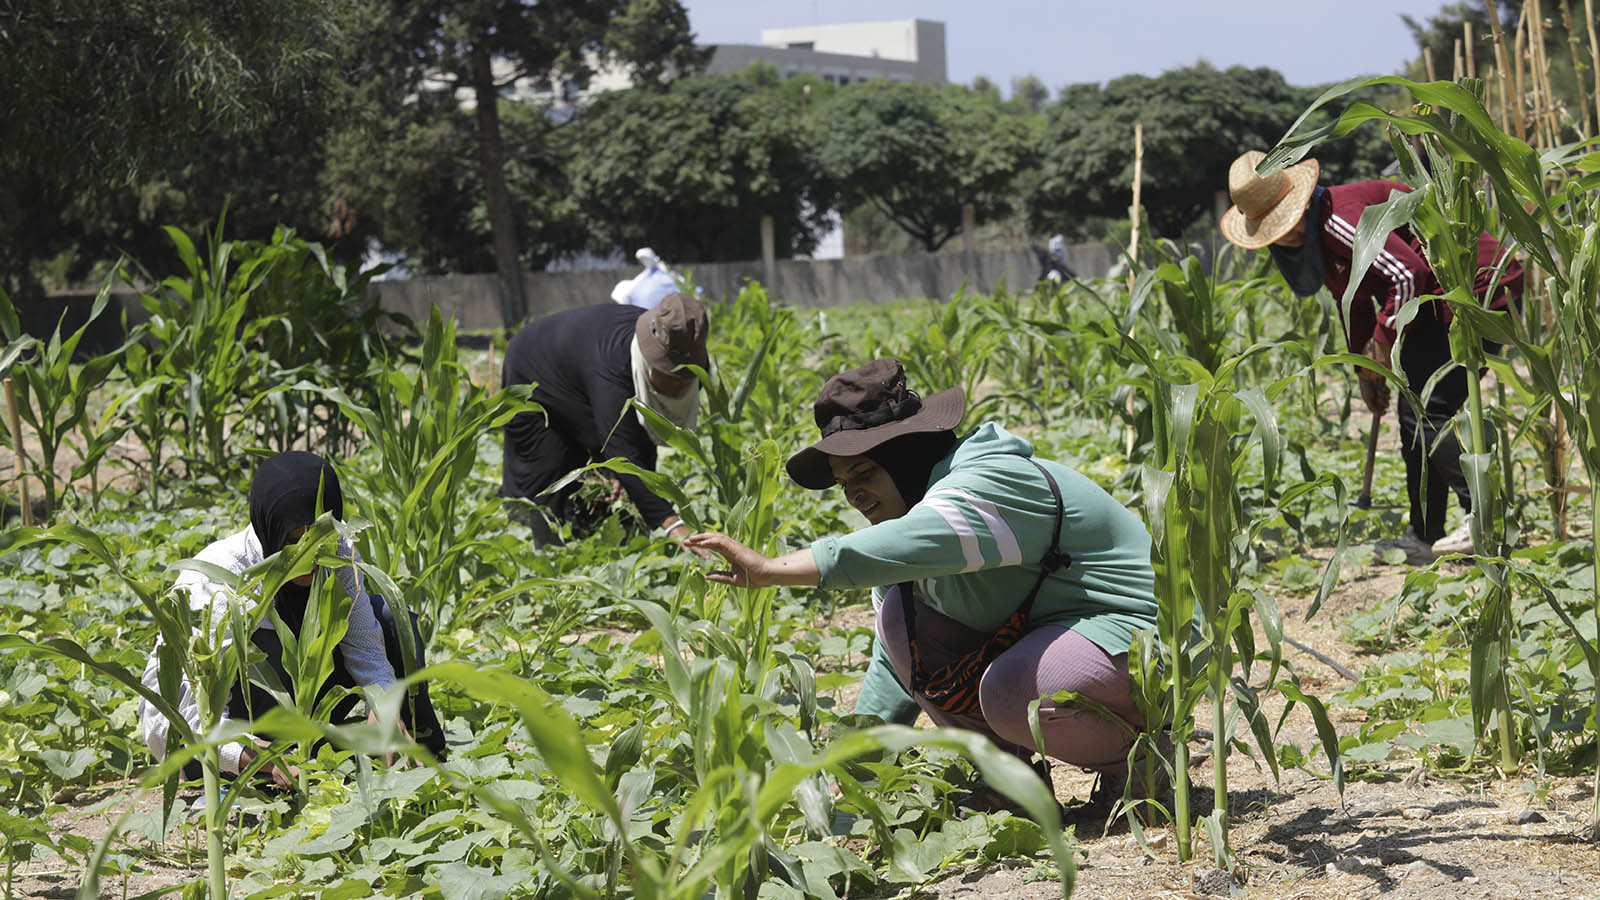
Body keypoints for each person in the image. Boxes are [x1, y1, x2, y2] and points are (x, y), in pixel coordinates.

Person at [685, 359, 1160, 817]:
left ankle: (1144, 767)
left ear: (907, 457)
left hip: (1143, 640)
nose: (853, 495)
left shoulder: (990, 480)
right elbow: (897, 665)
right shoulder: (910, 533)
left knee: (1011, 691)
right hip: (1059, 642)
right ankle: (1015, 790)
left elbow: (917, 539)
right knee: (900, 618)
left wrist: (770, 570)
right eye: (843, 483)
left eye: (864, 473)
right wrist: (851, 767)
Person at [1219, 151, 1524, 563]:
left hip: (1471, 288)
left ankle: (1484, 519)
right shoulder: (1320, 241)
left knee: (1430, 410)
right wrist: (1366, 372)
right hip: (1431, 304)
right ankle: (1425, 535)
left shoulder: (1337, 219)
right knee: (1413, 414)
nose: (1284, 236)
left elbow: (1407, 274)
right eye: (1273, 229)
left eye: (1285, 222)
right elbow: (1355, 303)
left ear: (1301, 203)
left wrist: (1382, 342)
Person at [138, 452, 446, 789]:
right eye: (294, 540)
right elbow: (189, 715)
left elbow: (367, 649)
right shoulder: (216, 581)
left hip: (302, 714)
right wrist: (259, 759)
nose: (308, 554)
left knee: (390, 616)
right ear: (270, 529)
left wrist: (384, 704)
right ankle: (265, 770)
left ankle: (419, 756)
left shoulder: (338, 554)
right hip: (225, 738)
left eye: (318, 537)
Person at [500, 293, 711, 552]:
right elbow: (621, 451)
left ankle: (598, 534)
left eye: (684, 380)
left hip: (578, 369)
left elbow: (636, 438)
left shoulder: (692, 355)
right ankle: (535, 553)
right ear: (649, 361)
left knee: (617, 474)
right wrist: (672, 524)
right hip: (532, 365)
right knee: (546, 476)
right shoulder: (615, 363)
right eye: (669, 375)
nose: (677, 386)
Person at [610, 247, 682, 310]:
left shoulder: (663, 272)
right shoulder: (644, 276)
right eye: (642, 260)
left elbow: (680, 283)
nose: (645, 261)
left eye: (646, 259)